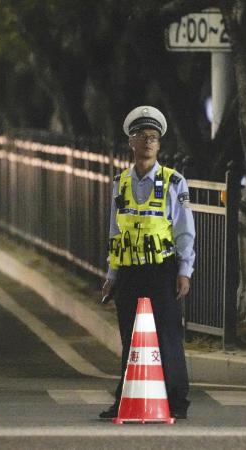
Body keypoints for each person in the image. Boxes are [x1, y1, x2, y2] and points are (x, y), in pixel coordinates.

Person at [99, 106, 195, 420]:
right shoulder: (120, 182)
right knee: (130, 337)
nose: (148, 142)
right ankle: (125, 398)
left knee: (168, 335)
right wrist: (112, 273)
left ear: (159, 144)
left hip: (161, 269)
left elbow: (184, 230)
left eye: (153, 137)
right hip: (129, 270)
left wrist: (184, 271)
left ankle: (177, 400)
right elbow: (115, 229)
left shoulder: (173, 181)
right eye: (142, 136)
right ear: (131, 142)